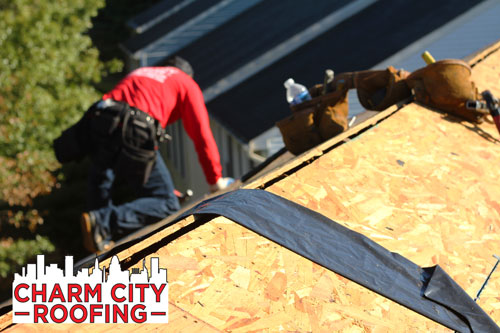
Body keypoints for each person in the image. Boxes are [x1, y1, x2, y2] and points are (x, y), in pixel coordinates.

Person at [56, 56, 232, 253]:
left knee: (102, 174)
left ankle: (98, 234)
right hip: (133, 127)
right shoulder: (186, 83)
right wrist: (215, 180)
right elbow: (201, 134)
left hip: (99, 120)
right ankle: (103, 223)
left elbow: (136, 154)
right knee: (167, 203)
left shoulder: (143, 72)